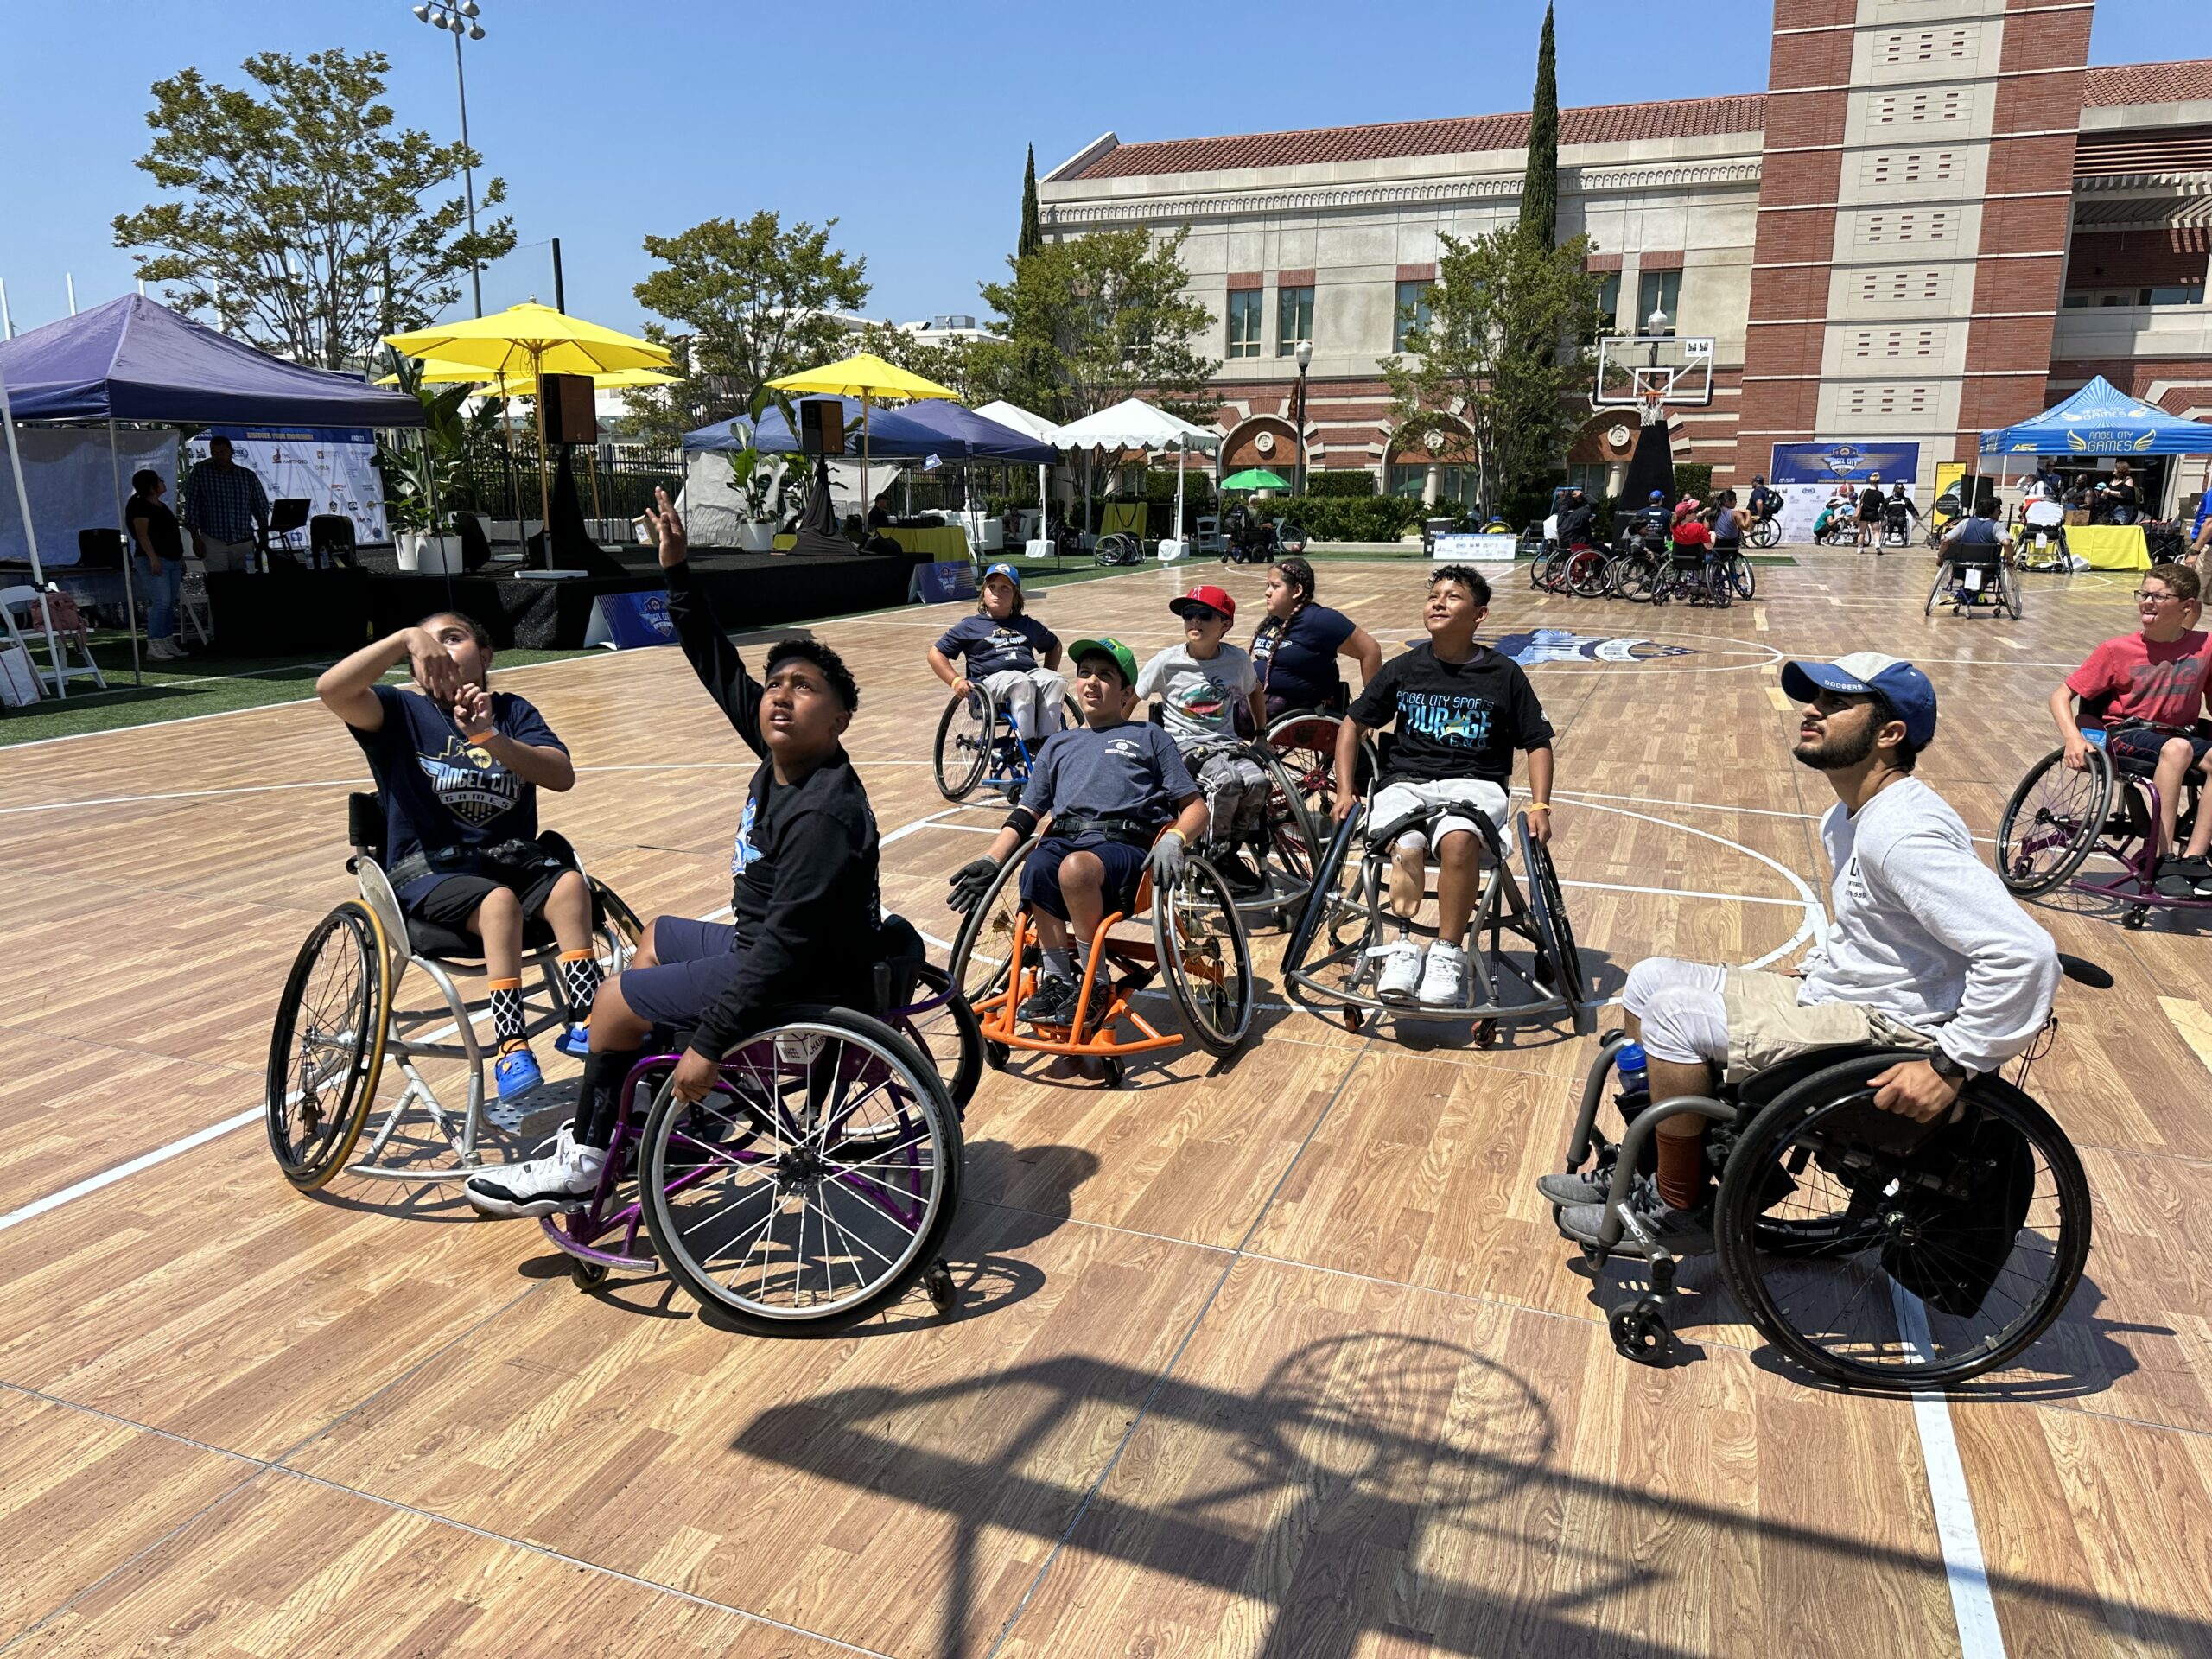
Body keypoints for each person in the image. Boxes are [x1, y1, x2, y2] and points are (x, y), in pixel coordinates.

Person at [1543, 652, 2060, 1252]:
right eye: (1814, 700)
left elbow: (2026, 954)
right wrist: (1819, 965)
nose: (1811, 711)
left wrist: (1952, 1064)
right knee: (1650, 980)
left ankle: (1680, 1207)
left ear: (1890, 735)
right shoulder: (1848, 817)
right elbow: (1873, 927)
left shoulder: (1902, 833)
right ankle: (1665, 1164)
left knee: (1674, 1018)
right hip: (1849, 997)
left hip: (1900, 1029)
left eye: (1837, 704)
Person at [466, 490, 886, 1217]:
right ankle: (655, 1105)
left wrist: (711, 1044)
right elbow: (718, 666)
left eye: (804, 688)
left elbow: (784, 947)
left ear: (840, 719)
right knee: (655, 935)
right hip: (784, 951)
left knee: (611, 1000)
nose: (780, 696)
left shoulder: (824, 810)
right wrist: (678, 572)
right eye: (776, 684)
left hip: (799, 974)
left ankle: (588, 1156)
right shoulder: (789, 755)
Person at [316, 613, 598, 1102]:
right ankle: (511, 1042)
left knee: (571, 885)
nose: (439, 648)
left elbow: (561, 775)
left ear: (485, 656)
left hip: (510, 861)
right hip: (432, 871)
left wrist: (491, 738)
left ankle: (587, 1017)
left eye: (454, 637)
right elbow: (331, 689)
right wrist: (405, 637)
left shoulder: (512, 712)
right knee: (499, 904)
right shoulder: (398, 711)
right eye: (430, 642)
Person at [945, 637, 1210, 1030]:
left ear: (1125, 692)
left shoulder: (1149, 737)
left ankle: (1095, 982)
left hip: (1125, 853)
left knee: (1074, 868)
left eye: (1105, 676)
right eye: (1085, 673)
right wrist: (992, 858)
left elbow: (1195, 807)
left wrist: (1176, 838)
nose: (1091, 683)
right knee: (1035, 866)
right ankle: (1057, 978)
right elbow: (1025, 813)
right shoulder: (1058, 743)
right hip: (1065, 842)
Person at [1330, 565, 1556, 1008]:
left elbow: (1537, 742)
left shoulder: (1503, 674)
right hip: (1408, 783)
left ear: (1480, 615)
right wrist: (1343, 789)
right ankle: (1403, 946)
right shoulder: (1404, 668)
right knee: (1407, 839)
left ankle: (1448, 953)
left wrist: (1541, 804)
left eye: (1452, 597)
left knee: (1457, 841)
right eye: (1434, 595)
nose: (1438, 602)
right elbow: (1352, 724)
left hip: (1475, 783)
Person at [2048, 563, 2212, 898]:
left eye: (2158, 596)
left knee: (2186, 746)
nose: (2147, 602)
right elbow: (2060, 696)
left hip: (2179, 732)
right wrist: (2072, 738)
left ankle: (2193, 858)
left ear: (2186, 606)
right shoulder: (2116, 649)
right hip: (2126, 733)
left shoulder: (2205, 646)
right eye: (2144, 594)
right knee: (2178, 748)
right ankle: (2162, 856)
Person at [1136, 585, 1271, 894]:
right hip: (1183, 748)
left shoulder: (1236, 660)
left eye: (1204, 615)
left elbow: (1254, 690)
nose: (1194, 622)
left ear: (1225, 624)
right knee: (1226, 781)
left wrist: (1262, 734)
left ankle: (1225, 853)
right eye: (1188, 615)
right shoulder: (1166, 662)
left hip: (1226, 745)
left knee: (1258, 782)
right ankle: (1213, 855)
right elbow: (1131, 700)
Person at [927, 563, 1066, 742]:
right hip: (989, 682)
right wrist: (955, 681)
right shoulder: (970, 626)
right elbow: (935, 654)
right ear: (983, 593)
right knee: (1020, 681)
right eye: (991, 587)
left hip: (1028, 676)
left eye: (1005, 588)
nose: (997, 592)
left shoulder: (1027, 624)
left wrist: (1046, 675)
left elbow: (1054, 645)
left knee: (1056, 681)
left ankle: (1047, 744)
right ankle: (1028, 744)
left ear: (1015, 596)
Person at [1249, 556, 1382, 722]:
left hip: (1295, 706)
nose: (1267, 592)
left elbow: (1371, 650)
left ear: (1297, 591)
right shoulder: (1275, 619)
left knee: (1222, 713)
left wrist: (1369, 706)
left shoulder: (1319, 619)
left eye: (1276, 586)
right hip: (1264, 698)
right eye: (1267, 585)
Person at [123, 468, 188, 660]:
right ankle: (154, 643)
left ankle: (167, 640)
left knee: (170, 602)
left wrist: (181, 558)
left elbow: (172, 533)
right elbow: (142, 535)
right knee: (161, 601)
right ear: (151, 486)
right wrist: (153, 558)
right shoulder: (139, 505)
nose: (163, 482)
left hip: (173, 558)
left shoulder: (161, 506)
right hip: (155, 559)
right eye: (159, 480)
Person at [180, 435, 269, 573]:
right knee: (219, 585)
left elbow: (260, 507)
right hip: (212, 540)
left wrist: (264, 539)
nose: (219, 456)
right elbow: (192, 507)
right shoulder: (200, 474)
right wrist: (195, 539)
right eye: (214, 452)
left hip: (243, 540)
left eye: (222, 452)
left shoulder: (247, 476)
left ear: (231, 451)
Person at [2095, 460, 2140, 525]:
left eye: (2116, 468)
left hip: (2123, 509)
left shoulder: (2128, 479)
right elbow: (2107, 493)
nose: (2114, 470)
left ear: (2120, 470)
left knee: (2118, 526)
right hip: (2111, 508)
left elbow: (2123, 494)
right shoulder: (2114, 479)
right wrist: (2103, 495)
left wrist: (2110, 492)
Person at [1555, 486, 1597, 550]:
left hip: (1565, 546)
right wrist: (1582, 494)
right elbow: (1594, 503)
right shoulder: (1581, 512)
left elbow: (1564, 503)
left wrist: (1569, 495)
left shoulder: (1562, 512)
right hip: (1581, 546)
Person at [1883, 480, 1922, 544]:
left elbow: (1911, 509)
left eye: (1902, 490)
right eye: (1899, 490)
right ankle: (1890, 534)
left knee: (1900, 520)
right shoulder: (1888, 500)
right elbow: (1881, 511)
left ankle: (1901, 535)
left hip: (1901, 517)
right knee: (1894, 519)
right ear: (1895, 491)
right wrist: (1883, 520)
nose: (1901, 492)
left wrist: (1916, 515)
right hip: (1891, 517)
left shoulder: (1906, 500)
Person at [1855, 473, 1886, 548]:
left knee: (1861, 532)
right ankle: (1877, 544)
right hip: (1874, 513)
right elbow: (1883, 502)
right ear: (1878, 482)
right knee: (1876, 531)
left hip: (1864, 513)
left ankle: (1860, 548)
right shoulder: (1879, 493)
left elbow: (1860, 500)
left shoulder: (1864, 491)